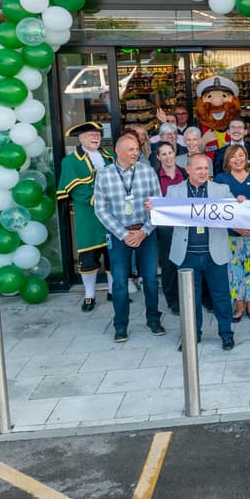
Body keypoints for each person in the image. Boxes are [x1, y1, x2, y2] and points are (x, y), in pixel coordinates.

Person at [159, 154, 237, 350]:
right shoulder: (173, 191)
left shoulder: (221, 190)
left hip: (215, 253)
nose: (203, 172)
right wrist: (155, 209)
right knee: (189, 299)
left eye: (206, 169)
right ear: (188, 170)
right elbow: (165, 220)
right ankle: (193, 336)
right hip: (187, 254)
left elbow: (235, 213)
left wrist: (239, 202)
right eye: (199, 168)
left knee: (221, 296)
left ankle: (226, 334)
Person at [93, 134, 161, 343]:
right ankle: (120, 325)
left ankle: (153, 319)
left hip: (145, 232)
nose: (135, 153)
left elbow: (158, 204)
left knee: (150, 279)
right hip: (119, 234)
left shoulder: (147, 171)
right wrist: (124, 234)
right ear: (118, 151)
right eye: (131, 149)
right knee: (120, 283)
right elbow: (101, 210)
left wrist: (144, 231)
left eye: (136, 149)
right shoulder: (104, 175)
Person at [57, 122, 115, 312]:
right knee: (88, 257)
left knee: (113, 255)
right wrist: (99, 199)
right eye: (90, 134)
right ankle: (89, 295)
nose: (95, 137)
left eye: (97, 134)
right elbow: (76, 190)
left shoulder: (110, 156)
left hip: (112, 213)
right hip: (88, 216)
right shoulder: (70, 161)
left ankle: (113, 290)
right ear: (81, 138)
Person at [215, 144, 250, 322]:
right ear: (228, 160)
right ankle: (238, 307)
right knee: (235, 271)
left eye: (240, 155)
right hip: (232, 235)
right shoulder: (221, 179)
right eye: (233, 156)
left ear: (246, 157)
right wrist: (237, 228)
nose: (237, 159)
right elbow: (218, 208)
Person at [153, 142, 184, 315]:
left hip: (185, 226)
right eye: (163, 154)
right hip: (165, 228)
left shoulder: (185, 173)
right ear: (158, 157)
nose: (167, 157)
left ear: (175, 153)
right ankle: (173, 300)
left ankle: (193, 296)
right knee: (169, 264)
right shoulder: (155, 177)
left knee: (187, 261)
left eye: (170, 152)